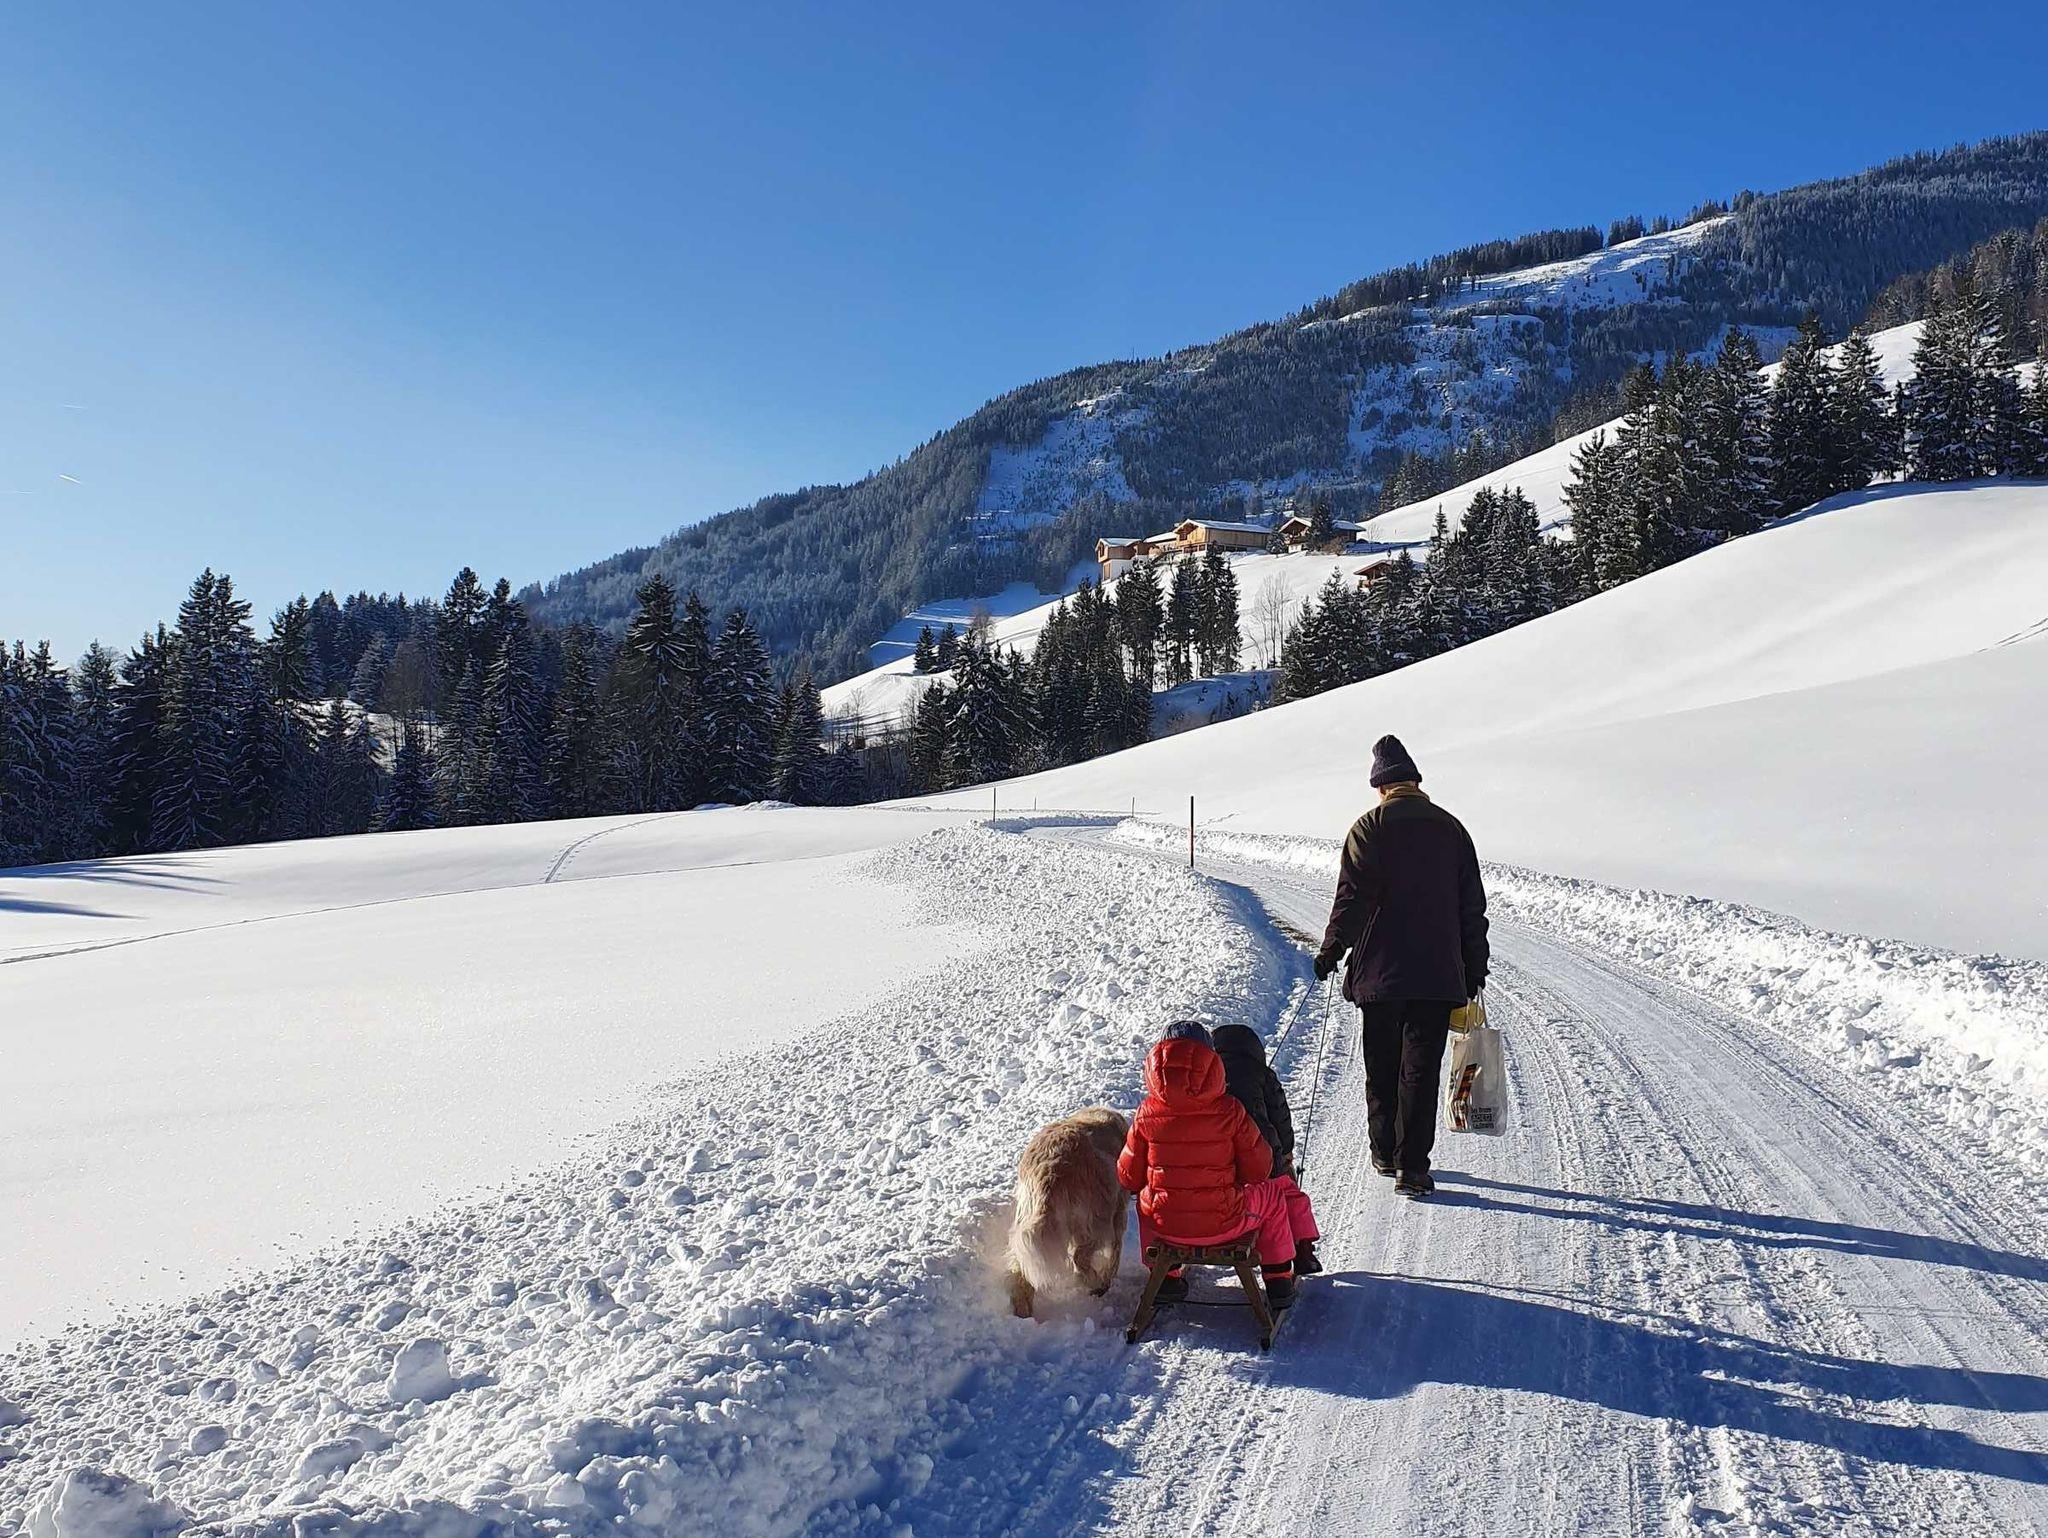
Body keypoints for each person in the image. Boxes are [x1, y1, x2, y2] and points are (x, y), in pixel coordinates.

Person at [1314, 735, 1488, 1199]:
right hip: (1437, 975)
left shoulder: (1368, 828)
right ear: (1415, 781)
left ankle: (1384, 1153)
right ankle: (1412, 1168)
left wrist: (1332, 949)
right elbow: (1471, 909)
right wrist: (1475, 967)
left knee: (1383, 1067)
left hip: (1380, 975)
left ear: (1381, 786)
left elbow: (1351, 899)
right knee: (1420, 1073)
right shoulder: (1452, 830)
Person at [1117, 1021, 1303, 1308]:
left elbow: (1129, 1178)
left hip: (1167, 1229)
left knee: (1148, 1199)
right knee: (1273, 1195)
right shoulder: (1230, 1110)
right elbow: (1259, 1171)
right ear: (1210, 1061)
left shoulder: (1145, 1114)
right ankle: (1278, 1279)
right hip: (1227, 1224)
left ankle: (1167, 1277)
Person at [1209, 1022, 1322, 1275]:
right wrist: (1286, 1151)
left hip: (1222, 1160)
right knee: (1288, 1195)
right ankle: (1302, 1249)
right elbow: (1281, 1117)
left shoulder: (1208, 1078)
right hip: (1265, 1155)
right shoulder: (1262, 1074)